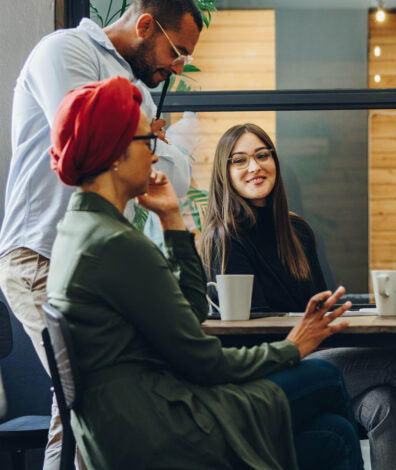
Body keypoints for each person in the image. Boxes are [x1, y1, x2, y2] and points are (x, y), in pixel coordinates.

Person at [45, 76, 364, 470]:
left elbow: (192, 313)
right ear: (114, 153)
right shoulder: (115, 245)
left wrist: (172, 219)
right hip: (163, 428)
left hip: (121, 430)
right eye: (148, 142)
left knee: (333, 434)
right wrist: (291, 348)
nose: (156, 155)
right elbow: (204, 361)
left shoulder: (79, 231)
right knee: (325, 378)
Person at [0, 1, 201, 466]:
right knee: (84, 393)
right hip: (42, 254)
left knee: (92, 397)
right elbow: (89, 147)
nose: (178, 66)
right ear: (146, 25)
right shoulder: (65, 52)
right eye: (177, 52)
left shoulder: (136, 88)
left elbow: (175, 176)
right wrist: (149, 141)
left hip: (95, 264)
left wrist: (147, 145)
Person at [201, 123, 396, 470]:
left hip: (315, 360)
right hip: (269, 371)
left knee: (387, 402)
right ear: (224, 174)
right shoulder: (224, 236)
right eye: (239, 160)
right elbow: (250, 336)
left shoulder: (297, 231)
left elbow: (319, 311)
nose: (254, 167)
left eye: (262, 155)